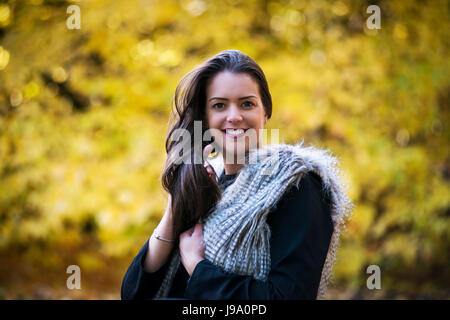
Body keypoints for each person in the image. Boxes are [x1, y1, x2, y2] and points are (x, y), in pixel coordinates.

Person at [121, 50, 354, 300]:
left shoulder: (296, 183)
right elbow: (134, 293)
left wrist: (198, 268)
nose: (234, 116)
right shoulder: (208, 186)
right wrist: (174, 210)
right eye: (219, 105)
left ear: (265, 113)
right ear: (206, 118)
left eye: (247, 104)